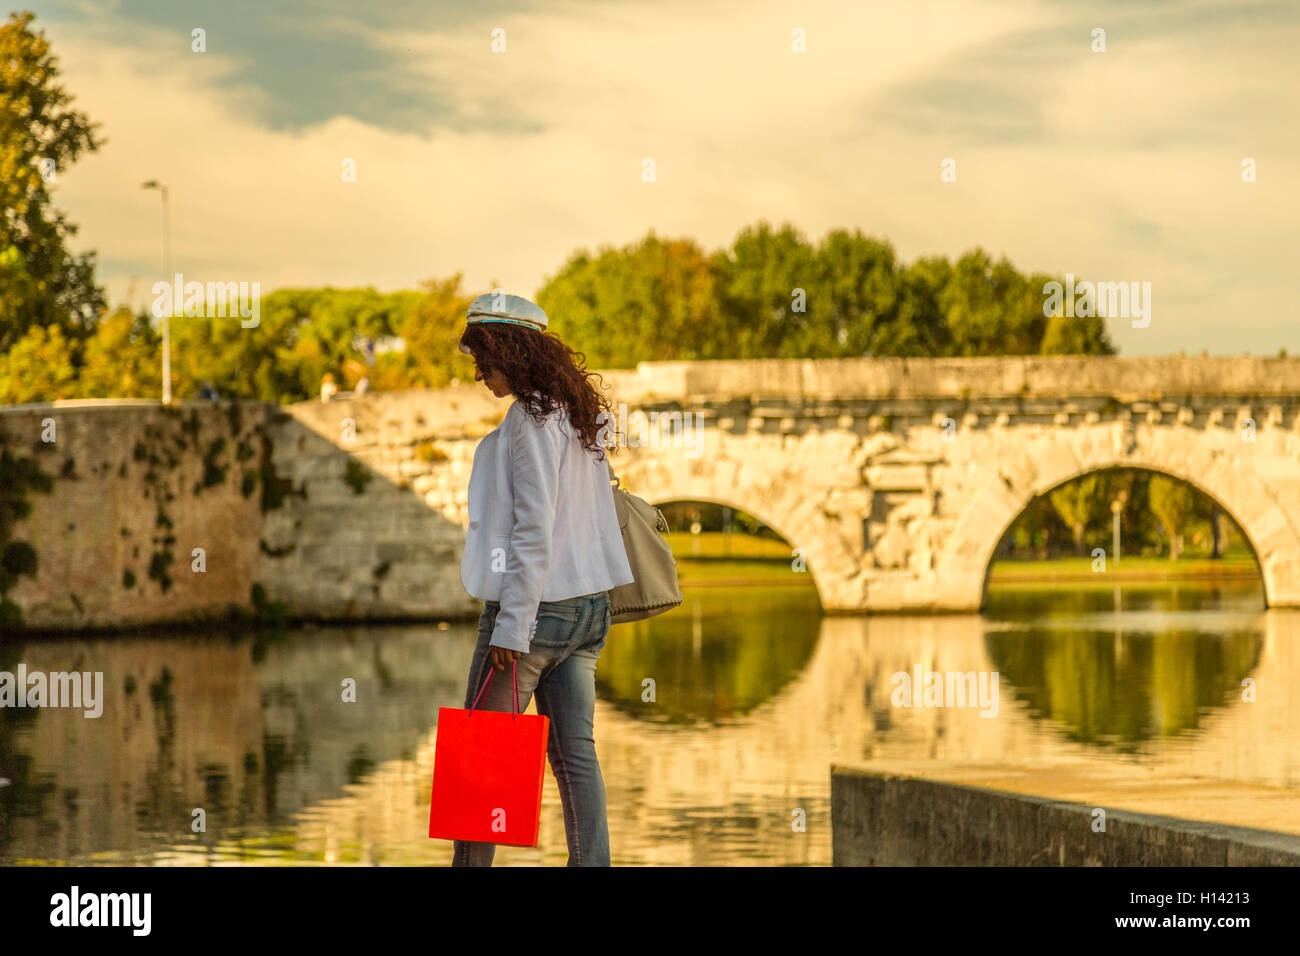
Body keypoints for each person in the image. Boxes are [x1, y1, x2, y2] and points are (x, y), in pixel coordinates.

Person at [452, 292, 634, 867]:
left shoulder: (529, 419)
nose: (480, 372)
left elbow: (535, 531)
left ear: (512, 350)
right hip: (587, 611)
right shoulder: (573, 413)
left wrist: (512, 626)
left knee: (481, 758)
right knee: (577, 757)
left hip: (534, 615)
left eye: (485, 357)